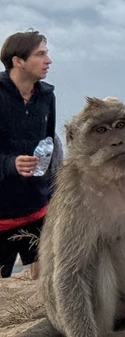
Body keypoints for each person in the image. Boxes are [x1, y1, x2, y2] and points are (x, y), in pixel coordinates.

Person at [0, 30, 58, 279]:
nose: (49, 60)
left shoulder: (46, 96)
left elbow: (49, 142)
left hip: (38, 206)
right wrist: (10, 164)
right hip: (2, 213)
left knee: (47, 282)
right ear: (18, 61)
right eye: (40, 54)